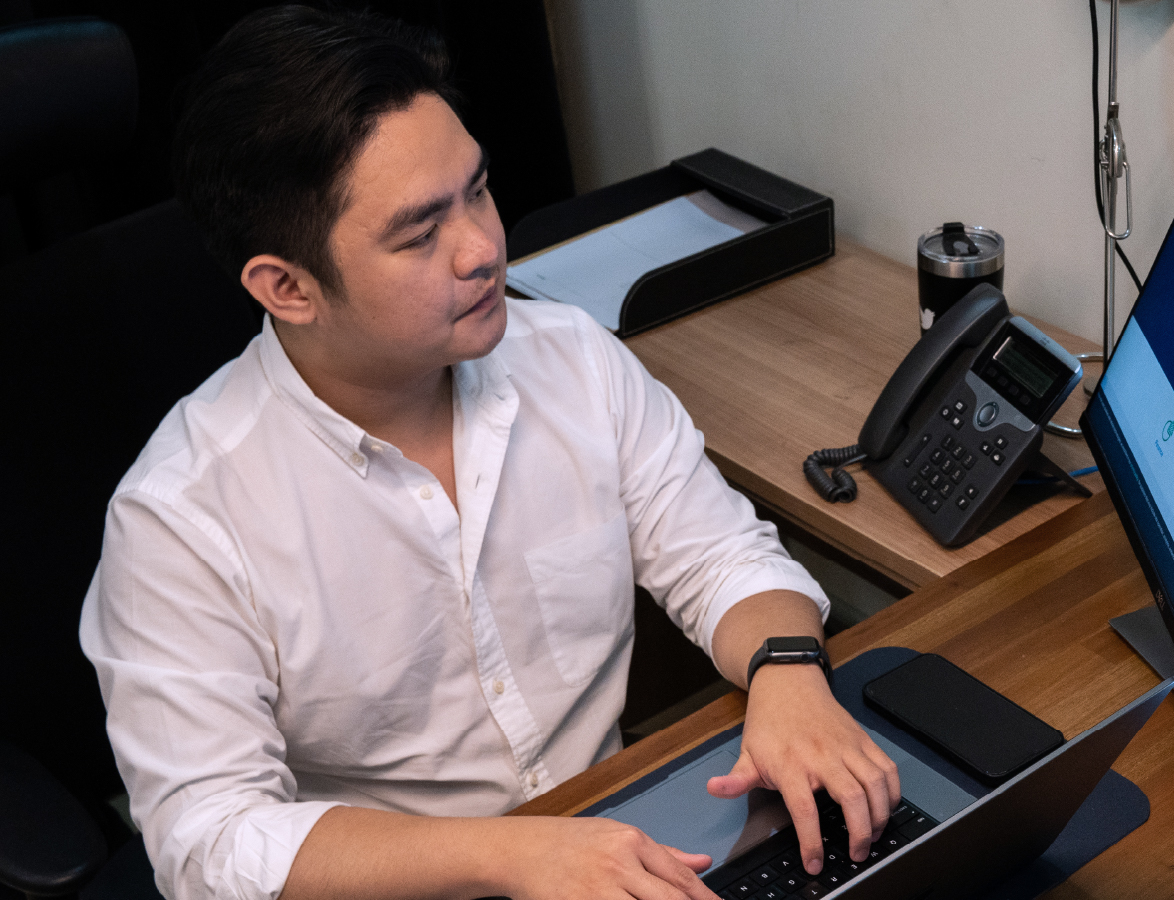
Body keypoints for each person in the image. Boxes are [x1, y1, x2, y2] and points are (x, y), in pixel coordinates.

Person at [78, 7, 898, 900]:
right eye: (420, 233)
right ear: (288, 288)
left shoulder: (572, 358)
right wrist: (512, 853)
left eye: (477, 189)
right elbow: (211, 841)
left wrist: (787, 673)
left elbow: (720, 555)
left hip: (619, 847)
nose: (483, 246)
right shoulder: (181, 519)